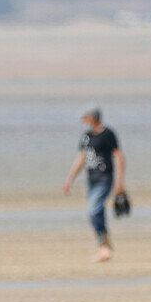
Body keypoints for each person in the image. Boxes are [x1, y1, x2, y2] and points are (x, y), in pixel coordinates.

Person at [63, 106, 125, 263]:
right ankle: (105, 247)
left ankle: (104, 246)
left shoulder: (107, 134)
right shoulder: (86, 136)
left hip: (105, 178)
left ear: (93, 117)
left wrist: (119, 182)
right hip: (91, 179)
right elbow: (81, 158)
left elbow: (118, 157)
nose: (83, 120)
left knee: (92, 210)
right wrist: (70, 178)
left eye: (85, 117)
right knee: (97, 212)